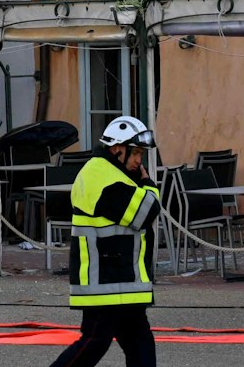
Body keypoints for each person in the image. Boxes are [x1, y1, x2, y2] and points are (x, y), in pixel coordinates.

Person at [49, 116, 161, 367]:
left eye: (141, 154)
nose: (138, 161)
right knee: (94, 342)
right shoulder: (102, 176)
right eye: (136, 153)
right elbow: (145, 212)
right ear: (116, 149)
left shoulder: (111, 172)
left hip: (119, 280)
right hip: (105, 282)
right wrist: (148, 185)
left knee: (139, 341)